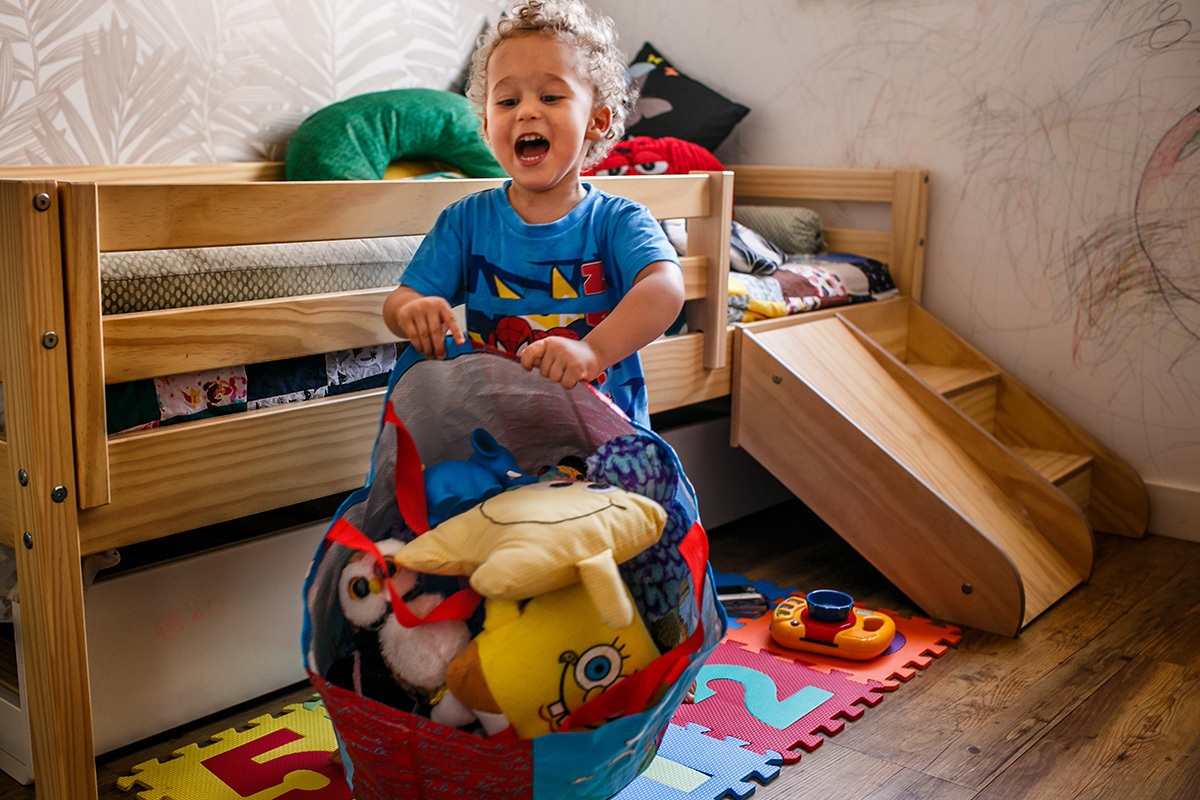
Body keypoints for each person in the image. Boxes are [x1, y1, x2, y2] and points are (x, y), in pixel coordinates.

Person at [383, 0, 684, 429]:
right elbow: (401, 301)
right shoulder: (465, 222)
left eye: (550, 96)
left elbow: (665, 289)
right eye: (507, 101)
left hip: (601, 439)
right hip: (494, 436)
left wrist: (593, 352)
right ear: (487, 128)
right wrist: (413, 310)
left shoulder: (620, 220)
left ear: (597, 120)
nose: (526, 110)